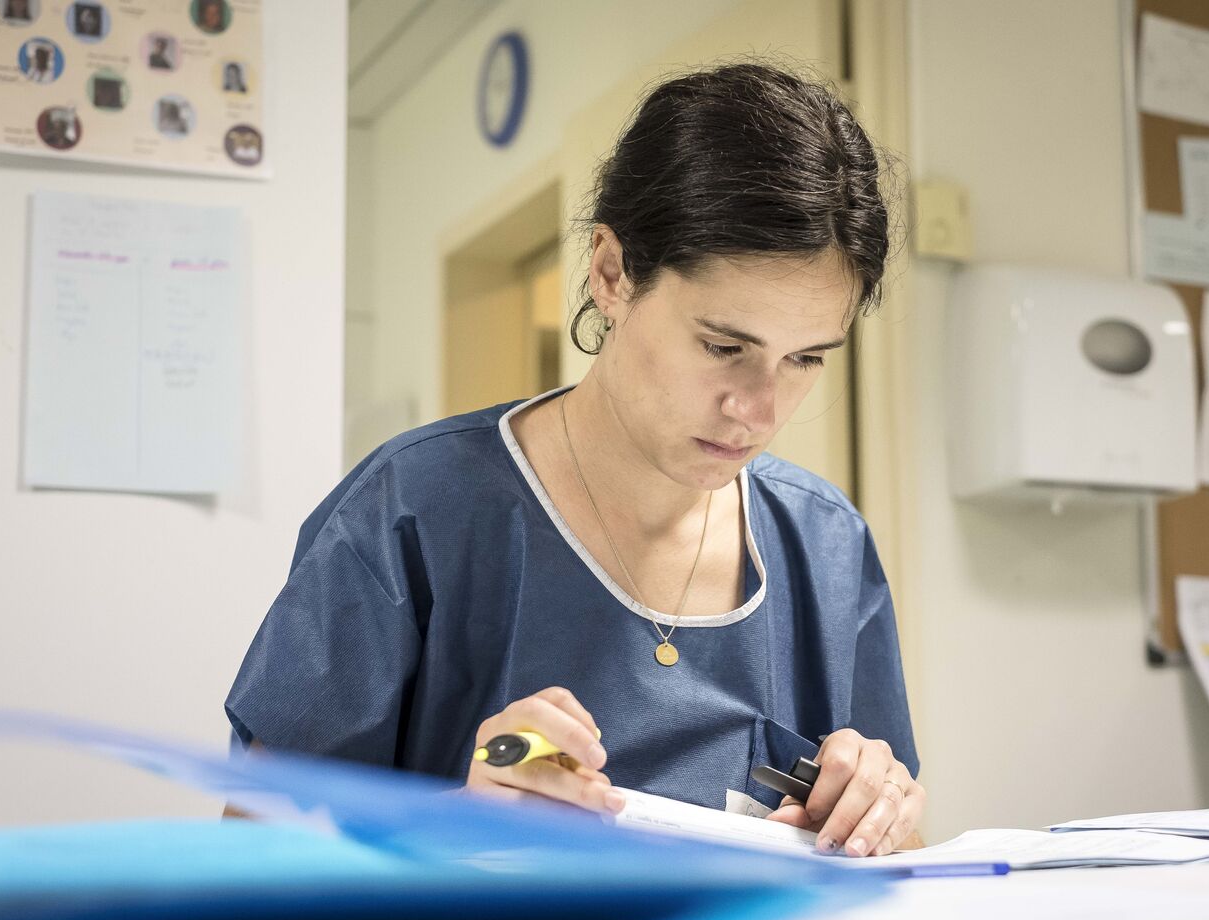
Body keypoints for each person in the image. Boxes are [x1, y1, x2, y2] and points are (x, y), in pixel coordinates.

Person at [225, 62, 925, 858]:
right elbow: (249, 857)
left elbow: (899, 862)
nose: (758, 410)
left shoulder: (825, 546)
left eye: (804, 359)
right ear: (610, 273)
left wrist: (879, 815)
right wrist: (457, 826)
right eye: (723, 346)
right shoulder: (414, 512)